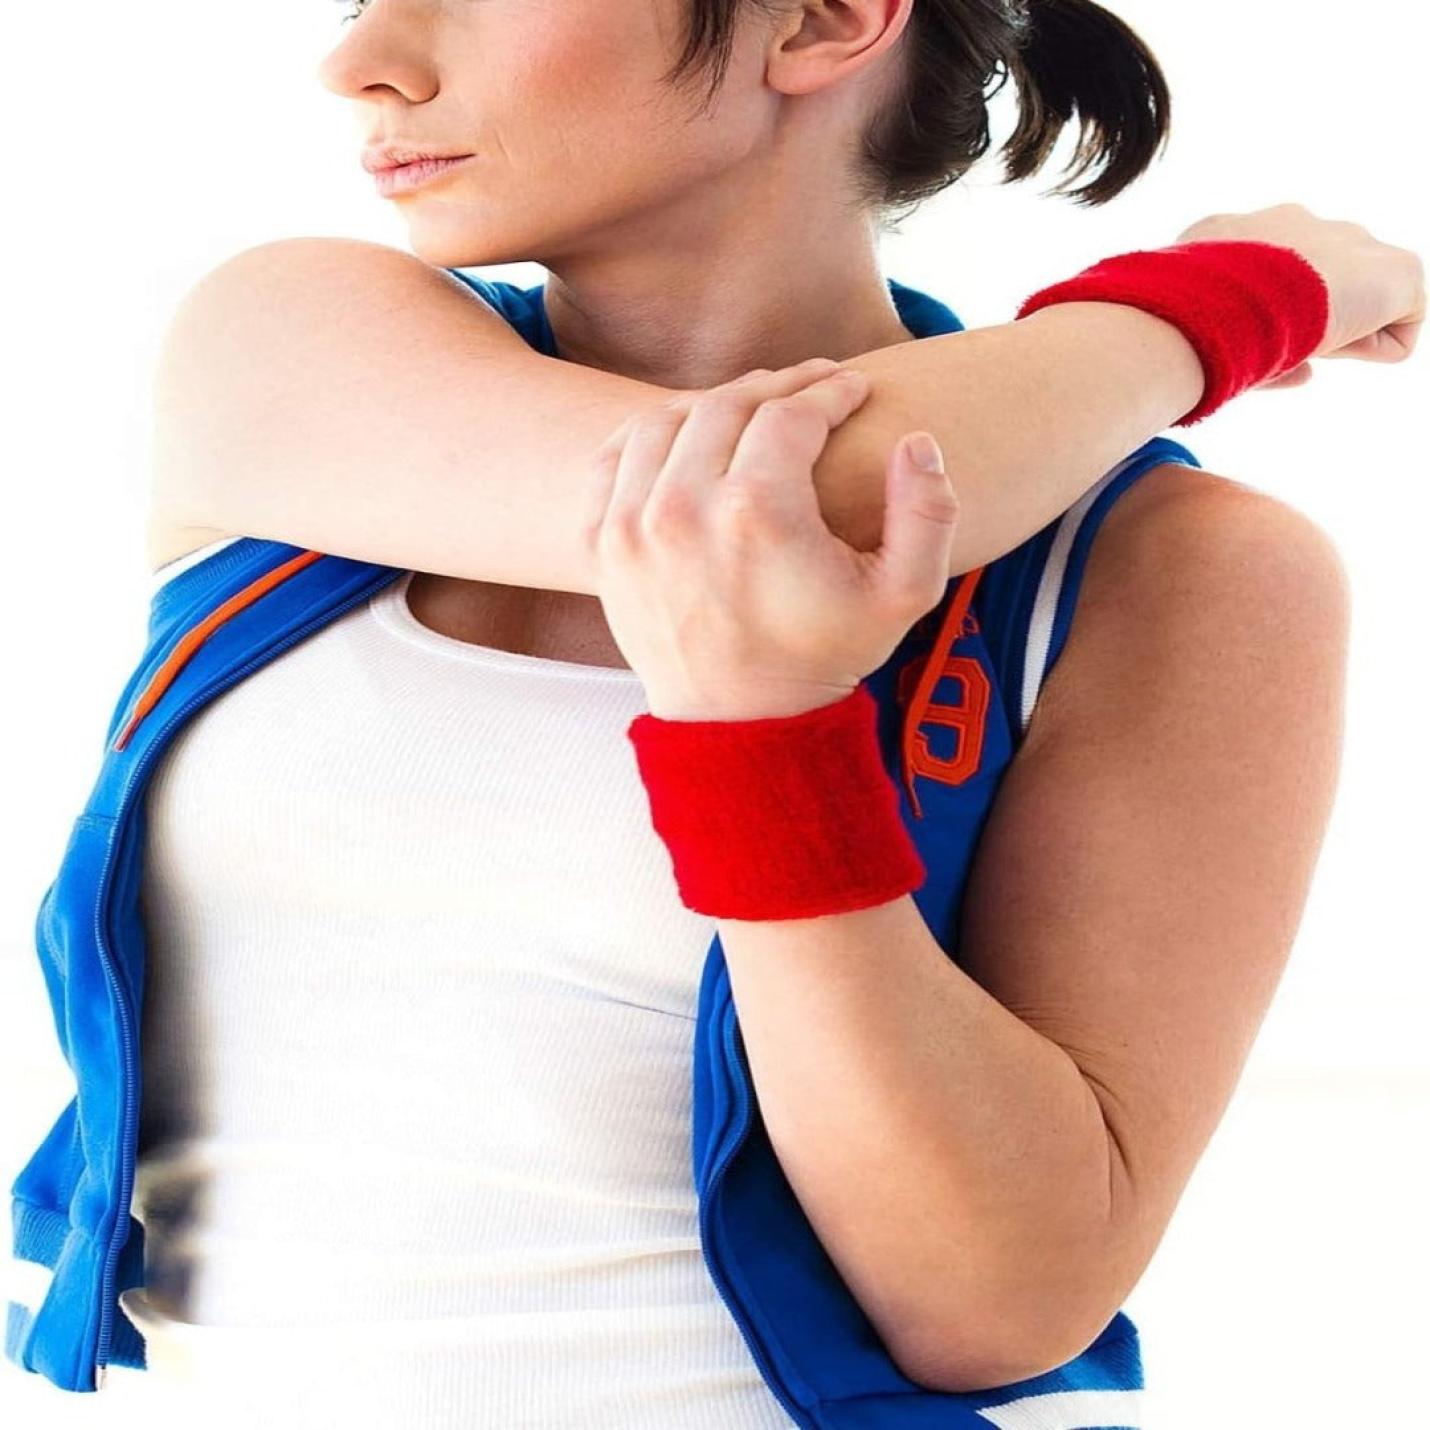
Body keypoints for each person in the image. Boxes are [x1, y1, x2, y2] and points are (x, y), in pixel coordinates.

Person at [5, 1, 1420, 1427]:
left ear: (817, 20)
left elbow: (996, 1298)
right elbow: (768, 505)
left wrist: (765, 750)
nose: (360, 59)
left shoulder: (1165, 569)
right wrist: (1218, 302)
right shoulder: (293, 345)